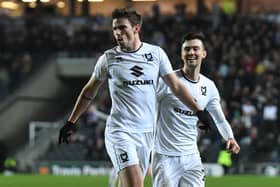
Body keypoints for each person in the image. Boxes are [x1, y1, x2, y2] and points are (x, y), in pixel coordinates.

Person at [58, 8, 215, 187]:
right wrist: (71, 121)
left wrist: (199, 111)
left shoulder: (155, 54)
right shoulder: (109, 58)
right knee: (134, 184)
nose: (118, 33)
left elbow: (177, 86)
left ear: (136, 29)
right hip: (120, 132)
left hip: (146, 134)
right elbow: (89, 91)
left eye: (122, 28)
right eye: (115, 28)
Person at [152, 32, 240, 187]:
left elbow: (219, 119)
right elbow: (147, 108)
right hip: (165, 156)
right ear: (181, 54)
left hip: (192, 156)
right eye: (187, 49)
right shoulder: (167, 81)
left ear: (203, 54)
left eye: (195, 49)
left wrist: (230, 138)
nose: (191, 53)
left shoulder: (209, 86)